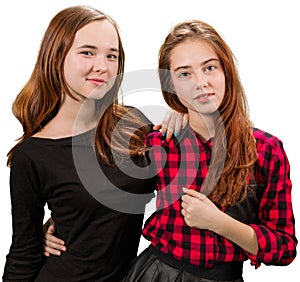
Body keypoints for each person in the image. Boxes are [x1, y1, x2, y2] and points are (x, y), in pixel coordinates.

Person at [2, 5, 186, 282]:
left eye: (111, 55)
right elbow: (23, 253)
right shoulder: (33, 154)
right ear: (56, 56)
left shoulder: (133, 124)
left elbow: (180, 182)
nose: (102, 66)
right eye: (87, 52)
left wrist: (185, 116)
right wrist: (49, 228)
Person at [119, 20, 297, 281]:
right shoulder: (160, 142)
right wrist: (51, 226)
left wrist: (219, 223)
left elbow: (284, 248)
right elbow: (110, 202)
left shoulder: (266, 150)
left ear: (226, 71)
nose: (200, 82)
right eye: (184, 74)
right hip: (154, 274)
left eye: (209, 68)